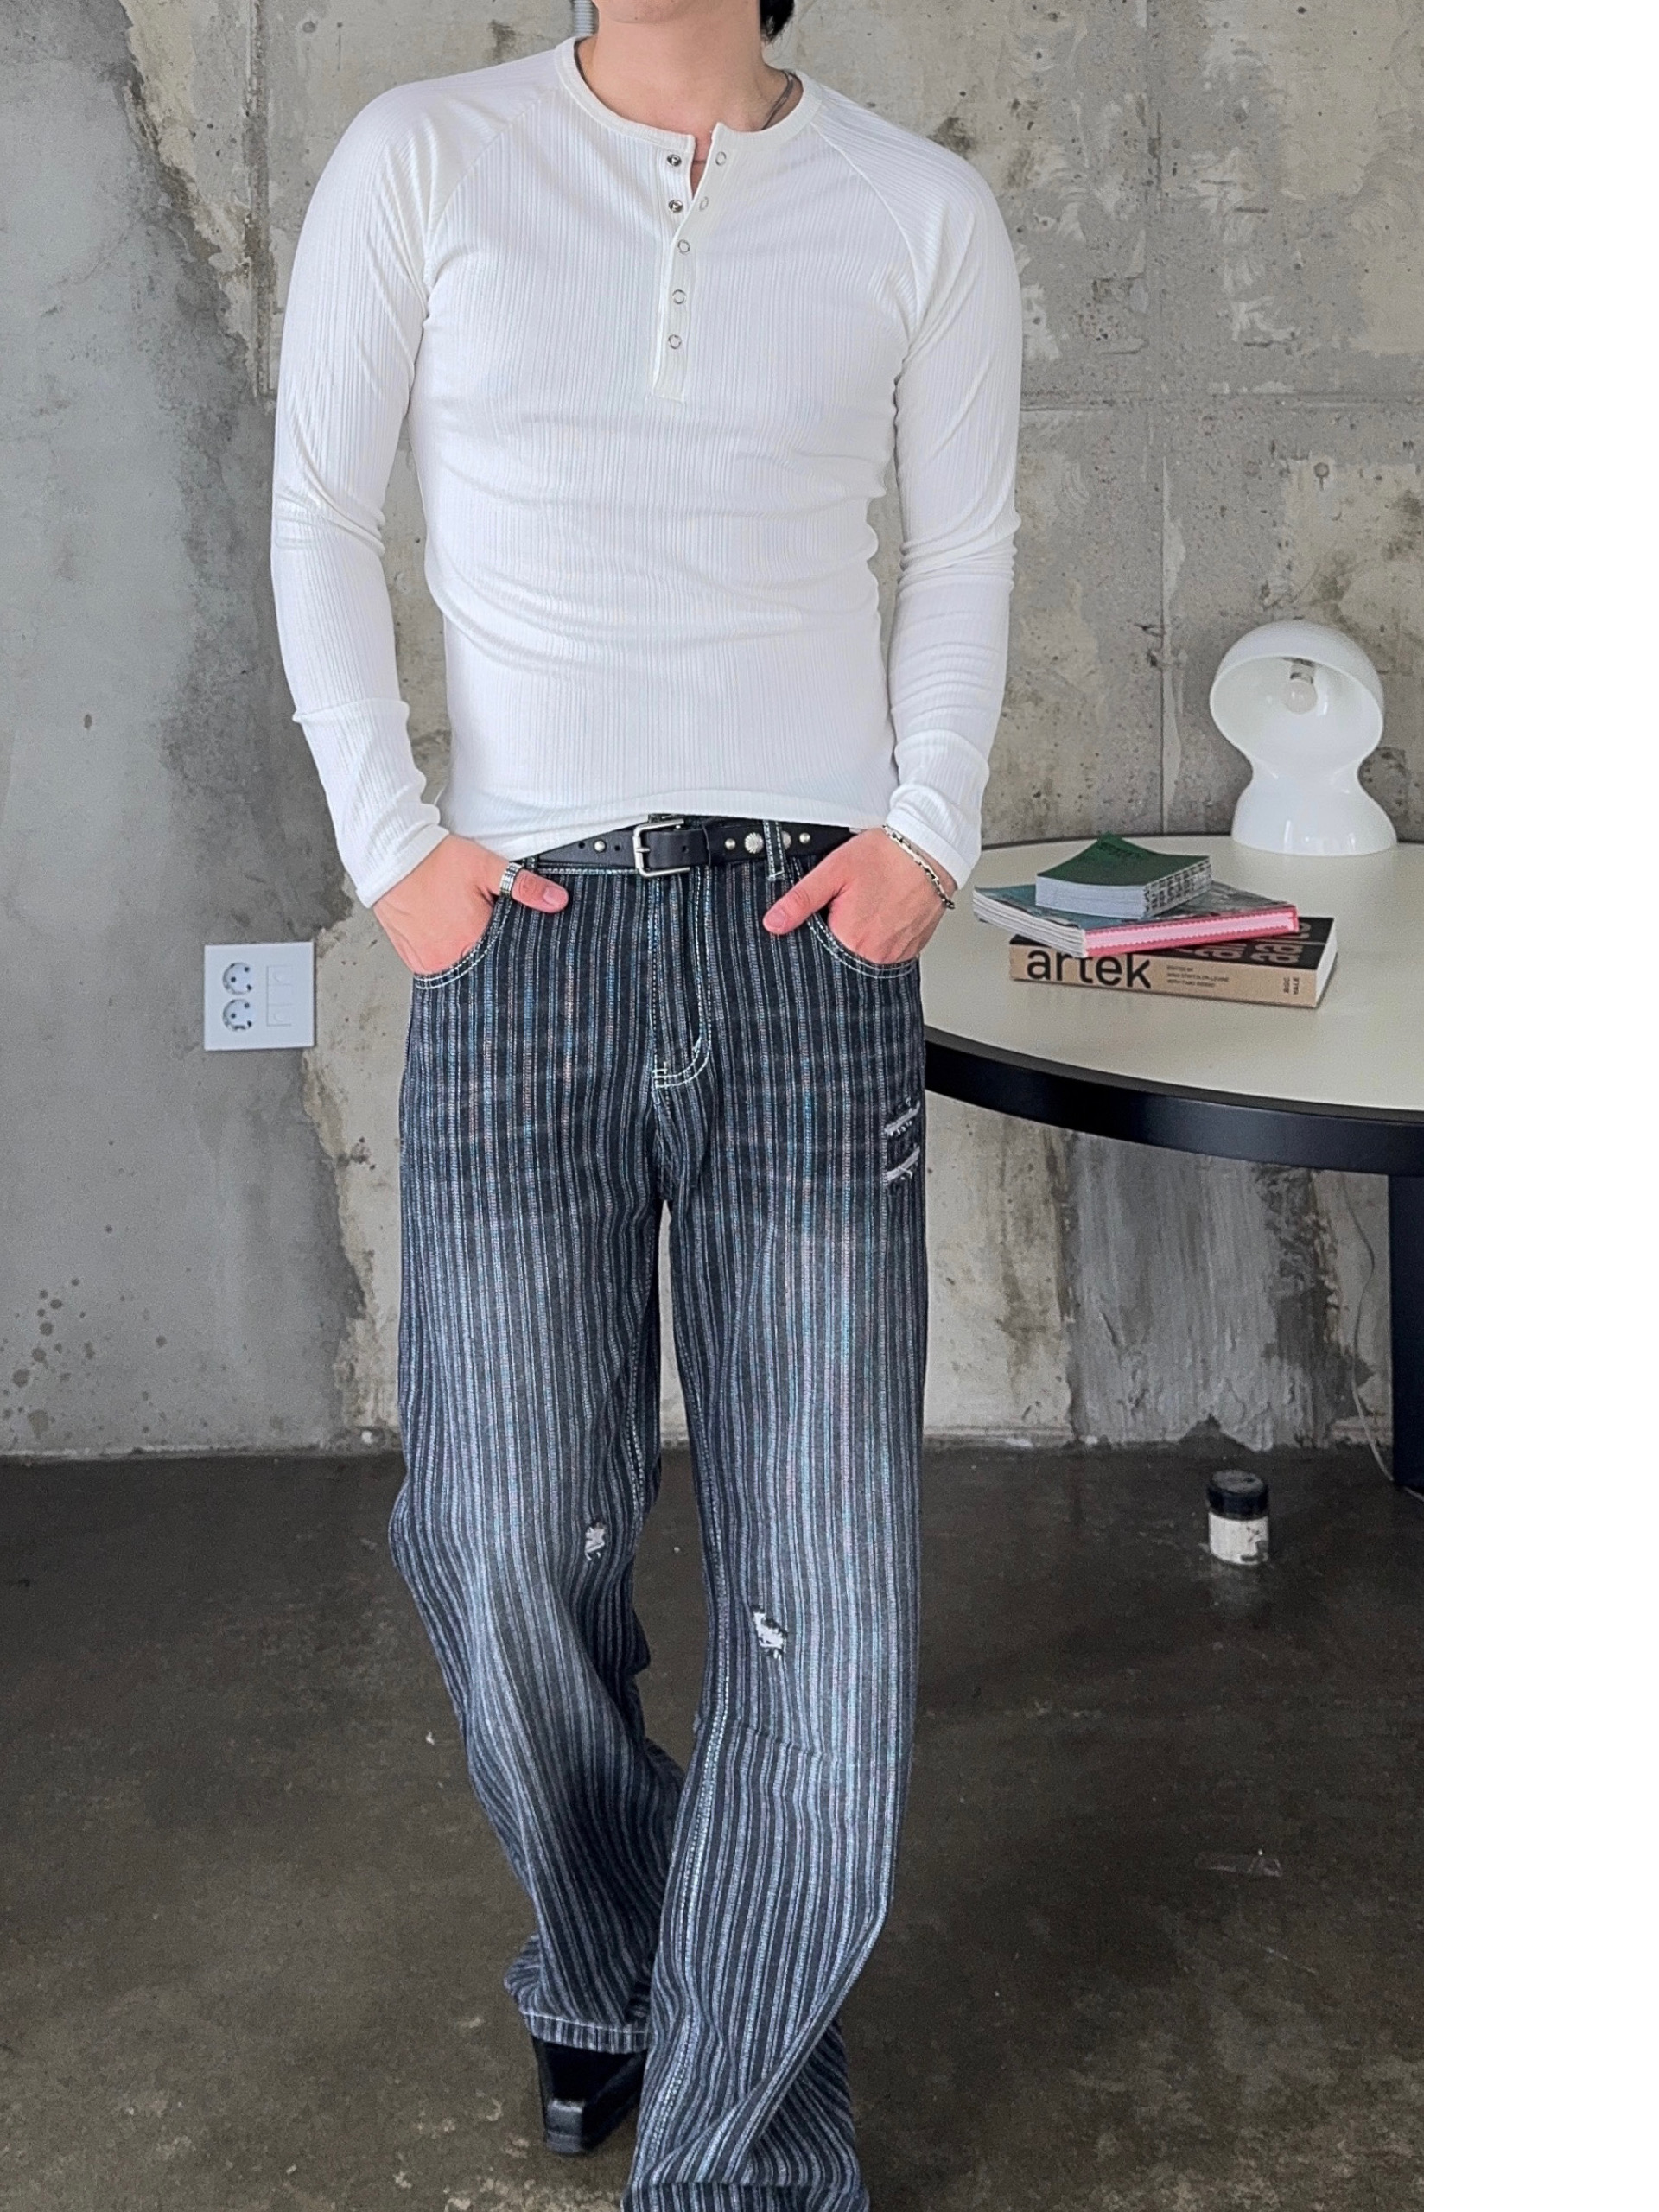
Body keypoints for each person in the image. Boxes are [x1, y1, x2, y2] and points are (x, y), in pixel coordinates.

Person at [270, 1, 1021, 2202]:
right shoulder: (424, 156)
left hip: (809, 942)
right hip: (524, 933)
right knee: (502, 1536)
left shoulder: (918, 209)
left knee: (830, 1597)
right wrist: (391, 850)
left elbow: (966, 548)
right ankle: (615, 1951)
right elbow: (317, 505)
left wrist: (929, 834)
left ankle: (736, 2144)